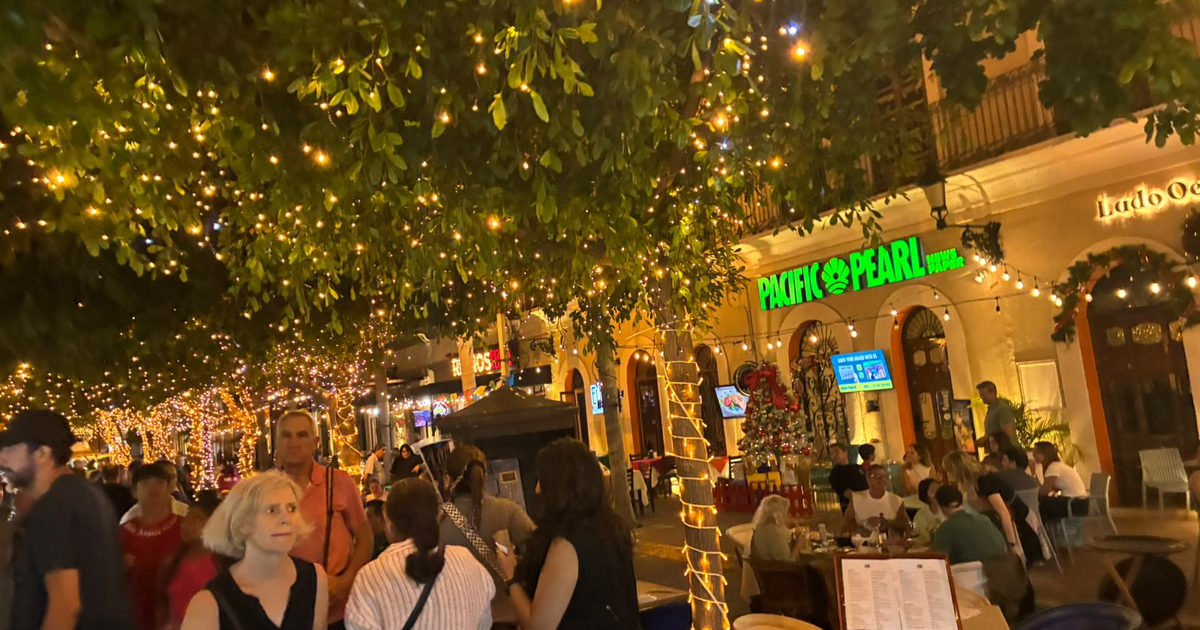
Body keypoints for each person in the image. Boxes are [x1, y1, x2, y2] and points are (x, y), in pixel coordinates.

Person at [0, 409, 135, 630]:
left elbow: (65, 606)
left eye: (10, 449)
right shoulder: (86, 494)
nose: (2, 458)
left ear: (42, 454)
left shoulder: (54, 508)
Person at [497, 439, 640, 630]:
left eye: (543, 480)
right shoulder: (613, 529)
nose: (537, 489)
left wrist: (510, 576)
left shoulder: (567, 544)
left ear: (560, 487)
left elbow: (539, 625)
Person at [182, 471, 328, 630]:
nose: (286, 519)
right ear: (242, 525)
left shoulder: (315, 578)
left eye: (291, 508)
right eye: (272, 510)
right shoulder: (209, 603)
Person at [346, 479, 494, 630]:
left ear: (389, 523)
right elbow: (484, 624)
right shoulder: (468, 561)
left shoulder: (370, 578)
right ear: (438, 516)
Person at [275, 410, 372, 629]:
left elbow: (365, 538)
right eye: (287, 435)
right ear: (277, 442)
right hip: (284, 611)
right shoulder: (265, 489)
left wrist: (346, 581)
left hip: (337, 610)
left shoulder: (339, 482)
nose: (294, 443)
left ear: (316, 442)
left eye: (302, 435)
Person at [440, 445, 535, 627]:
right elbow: (540, 555)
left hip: (458, 622)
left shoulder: (437, 522)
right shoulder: (509, 511)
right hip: (506, 620)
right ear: (485, 477)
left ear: (447, 479)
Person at [122, 461, 185, 630]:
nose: (153, 488)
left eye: (159, 482)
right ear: (134, 492)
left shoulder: (184, 527)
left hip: (178, 616)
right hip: (136, 616)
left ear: (169, 488)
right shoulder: (123, 532)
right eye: (145, 483)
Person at [942, 451, 1033, 564]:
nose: (948, 475)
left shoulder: (984, 480)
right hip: (987, 522)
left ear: (957, 470)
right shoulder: (966, 484)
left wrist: (1012, 544)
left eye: (949, 471)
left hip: (1011, 522)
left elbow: (1003, 512)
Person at [165, 491, 223, 630]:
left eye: (197, 519)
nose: (186, 524)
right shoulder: (174, 560)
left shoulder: (222, 562)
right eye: (187, 518)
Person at [932, 486, 1008, 565]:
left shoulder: (945, 528)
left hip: (971, 571)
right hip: (1001, 568)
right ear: (961, 502)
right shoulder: (984, 519)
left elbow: (939, 560)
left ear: (942, 507)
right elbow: (1003, 547)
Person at [843, 465, 909, 535]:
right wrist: (863, 527)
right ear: (868, 479)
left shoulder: (896, 500)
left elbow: (906, 525)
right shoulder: (856, 498)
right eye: (877, 477)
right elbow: (846, 524)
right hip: (862, 539)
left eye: (884, 477)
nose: (882, 480)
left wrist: (888, 523)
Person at [1032, 442, 1088, 521]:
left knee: (1041, 502)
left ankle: (1042, 527)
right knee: (1043, 501)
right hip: (1080, 503)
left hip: (1074, 503)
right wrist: (1034, 473)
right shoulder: (1057, 465)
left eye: (1037, 452)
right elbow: (1045, 489)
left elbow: (1043, 492)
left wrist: (1030, 494)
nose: (1033, 455)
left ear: (1045, 454)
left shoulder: (1053, 467)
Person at [122, 460, 190, 525]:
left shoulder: (184, 512)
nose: (170, 481)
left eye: (173, 477)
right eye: (159, 480)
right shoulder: (130, 518)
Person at [827, 443, 868, 513]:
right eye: (831, 454)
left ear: (845, 452)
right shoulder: (835, 473)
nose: (834, 456)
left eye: (836, 452)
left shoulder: (858, 467)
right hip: (852, 508)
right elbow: (846, 492)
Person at [912, 478, 944, 545]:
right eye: (933, 490)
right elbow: (920, 540)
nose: (937, 493)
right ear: (925, 495)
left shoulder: (948, 510)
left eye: (939, 489)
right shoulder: (920, 516)